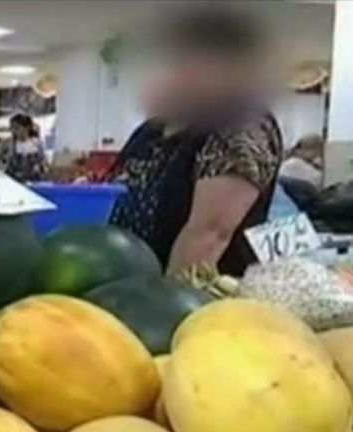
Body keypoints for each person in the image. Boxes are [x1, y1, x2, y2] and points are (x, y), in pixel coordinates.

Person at [109, 6, 281, 275]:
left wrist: (164, 295)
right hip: (125, 280)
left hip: (189, 292)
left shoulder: (241, 128)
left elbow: (209, 235)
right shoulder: (155, 128)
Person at [0, 114, 47, 182]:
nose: (14, 131)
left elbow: (43, 161)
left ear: (27, 128)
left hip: (33, 179)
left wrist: (40, 167)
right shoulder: (7, 143)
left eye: (17, 128)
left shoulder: (37, 143)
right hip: (12, 179)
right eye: (12, 128)